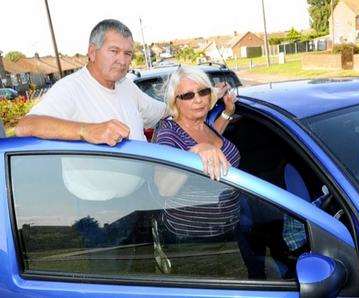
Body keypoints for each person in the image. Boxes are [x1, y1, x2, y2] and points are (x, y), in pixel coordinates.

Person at [15, 19, 235, 176]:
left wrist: (209, 93)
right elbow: (25, 126)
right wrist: (86, 131)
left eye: (128, 53)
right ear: (92, 52)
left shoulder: (126, 86)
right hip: (102, 213)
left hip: (141, 197)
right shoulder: (71, 88)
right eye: (114, 51)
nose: (122, 60)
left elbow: (167, 110)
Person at [151, 66, 241, 274]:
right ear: (176, 101)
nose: (198, 99)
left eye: (203, 92)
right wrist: (194, 153)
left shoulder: (201, 124)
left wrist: (227, 113)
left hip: (228, 231)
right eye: (189, 95)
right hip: (193, 241)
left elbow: (213, 141)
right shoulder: (168, 132)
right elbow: (164, 188)